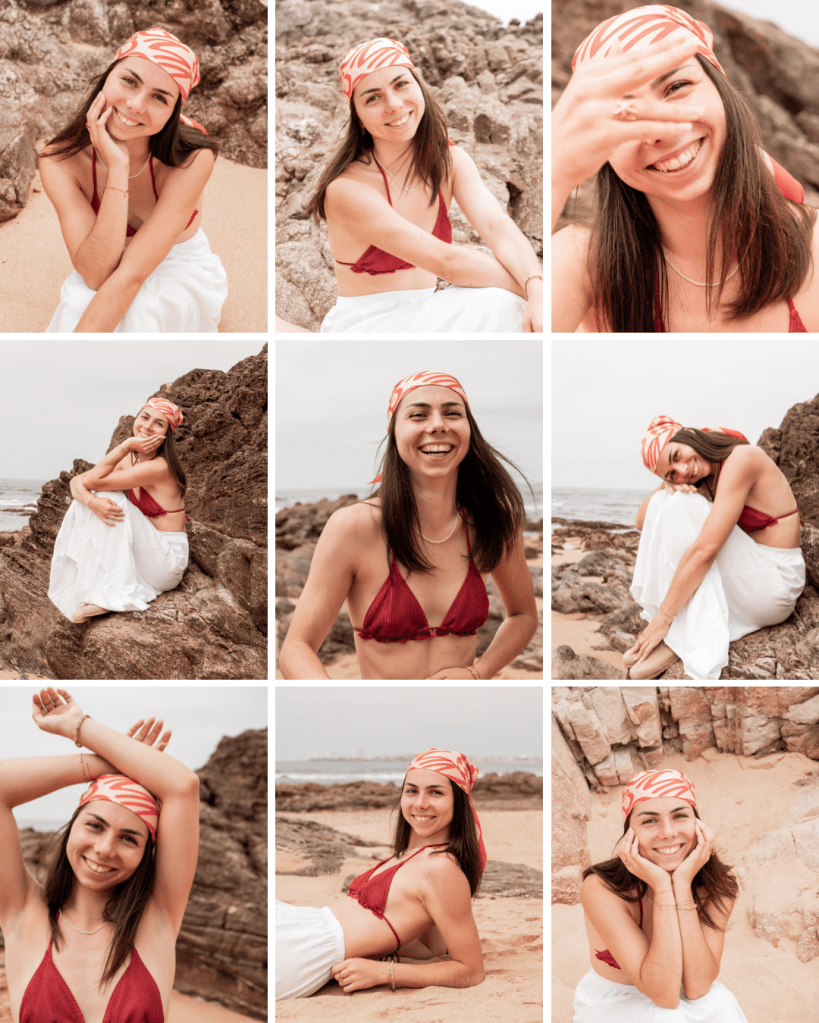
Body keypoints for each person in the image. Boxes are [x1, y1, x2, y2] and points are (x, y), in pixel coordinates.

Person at [551, 5, 819, 332]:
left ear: (720, 88)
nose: (662, 130)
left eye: (677, 86)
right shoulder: (583, 264)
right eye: (624, 111)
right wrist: (555, 175)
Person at [278, 371, 539, 680]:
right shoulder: (353, 527)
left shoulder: (494, 522)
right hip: (382, 709)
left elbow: (523, 615)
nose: (438, 425)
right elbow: (296, 648)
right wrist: (337, 701)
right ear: (394, 432)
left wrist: (477, 673)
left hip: (462, 708)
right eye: (418, 415)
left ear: (470, 429)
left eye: (452, 413)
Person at [307, 38, 543, 333]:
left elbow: (496, 225)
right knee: (504, 302)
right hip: (366, 325)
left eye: (401, 84)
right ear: (359, 119)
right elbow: (446, 262)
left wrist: (536, 286)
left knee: (514, 303)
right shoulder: (347, 189)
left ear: (419, 85)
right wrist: (535, 291)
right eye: (373, 98)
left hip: (426, 311)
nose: (394, 104)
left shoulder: (451, 161)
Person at [0, 687, 200, 1023]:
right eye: (95, 826)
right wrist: (106, 764)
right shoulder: (23, 914)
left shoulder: (157, 921)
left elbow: (183, 786)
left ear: (146, 853)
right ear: (72, 826)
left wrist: (79, 725)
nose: (105, 849)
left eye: (129, 839)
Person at [39, 27, 227, 333]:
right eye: (129, 81)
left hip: (177, 263)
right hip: (104, 259)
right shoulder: (59, 161)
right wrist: (118, 168)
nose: (136, 105)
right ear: (107, 77)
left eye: (159, 98)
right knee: (78, 307)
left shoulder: (192, 159)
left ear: (173, 112)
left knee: (144, 313)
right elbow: (96, 275)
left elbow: (133, 275)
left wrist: (118, 164)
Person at [276, 747, 486, 1000]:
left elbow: (471, 970)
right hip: (304, 925)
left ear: (458, 802)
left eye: (436, 792)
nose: (420, 803)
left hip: (309, 949)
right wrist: (378, 953)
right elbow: (429, 949)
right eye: (411, 791)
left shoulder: (442, 868)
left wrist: (383, 972)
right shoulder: (410, 855)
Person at [624, 415, 805, 680]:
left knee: (682, 504)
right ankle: (681, 627)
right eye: (673, 471)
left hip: (776, 584)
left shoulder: (742, 459)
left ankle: (680, 636)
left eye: (677, 455)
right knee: (668, 499)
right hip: (753, 578)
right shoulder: (704, 474)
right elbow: (642, 520)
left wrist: (662, 619)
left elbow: (705, 552)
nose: (684, 470)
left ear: (688, 435)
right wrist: (667, 483)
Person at [575, 769, 747, 1022]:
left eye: (680, 816)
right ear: (629, 833)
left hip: (683, 991)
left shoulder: (719, 883)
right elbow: (664, 995)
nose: (667, 832)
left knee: (719, 1001)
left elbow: (698, 986)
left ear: (698, 825)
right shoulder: (602, 887)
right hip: (615, 1002)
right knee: (668, 1017)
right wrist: (663, 886)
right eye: (649, 821)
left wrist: (682, 883)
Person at [48, 397, 190, 624]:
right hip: (145, 554)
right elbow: (77, 482)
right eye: (144, 417)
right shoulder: (131, 460)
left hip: (166, 562)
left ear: (166, 434)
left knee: (110, 498)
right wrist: (92, 502)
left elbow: (92, 482)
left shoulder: (160, 467)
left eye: (158, 423)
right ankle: (102, 589)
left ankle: (111, 595)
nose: (148, 426)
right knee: (88, 502)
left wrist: (126, 445)